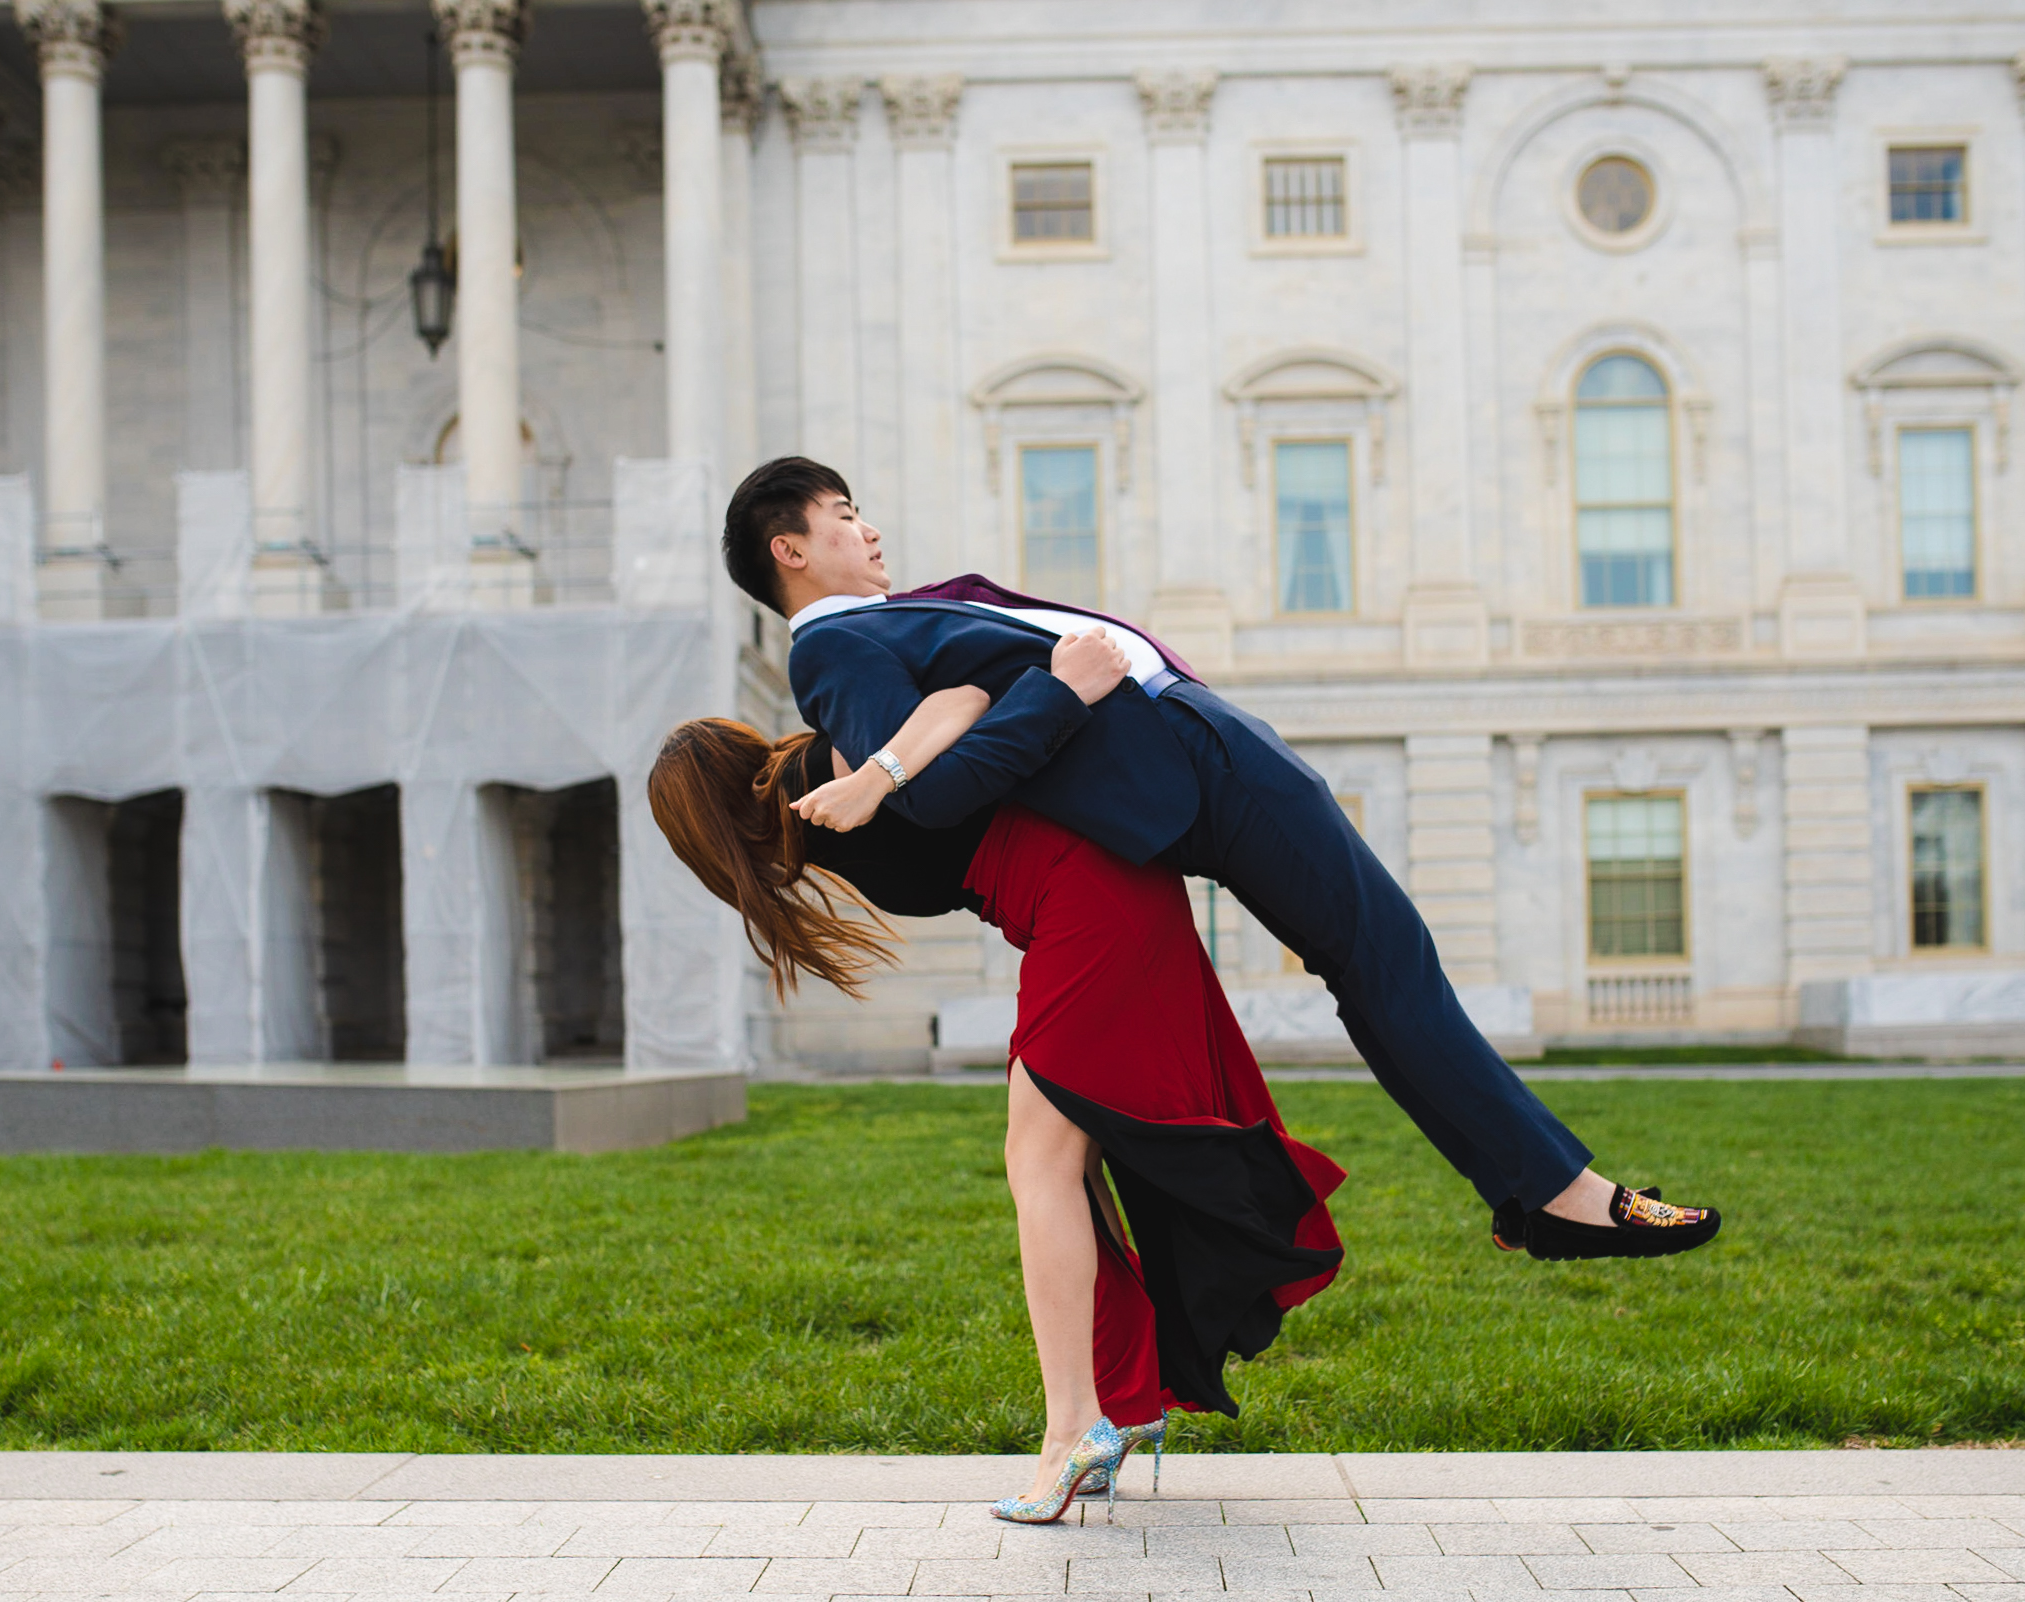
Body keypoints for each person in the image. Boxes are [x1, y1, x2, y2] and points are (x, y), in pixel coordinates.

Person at [721, 455, 1721, 1263]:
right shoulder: (832, 648)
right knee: (1383, 960)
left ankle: (1544, 1194)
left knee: (1382, 962)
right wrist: (1060, 688)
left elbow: (929, 740)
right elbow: (935, 800)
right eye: (846, 515)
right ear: (791, 548)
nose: (869, 529)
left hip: (1198, 752)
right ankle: (1558, 1197)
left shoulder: (883, 620)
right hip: (1196, 773)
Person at [650, 678, 1346, 1524]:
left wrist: (874, 775)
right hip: (1079, 904)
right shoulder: (805, 815)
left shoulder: (813, 776)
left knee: (1040, 1167)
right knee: (1069, 1172)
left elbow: (961, 698)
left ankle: (1074, 1429)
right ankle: (1119, 1404)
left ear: (704, 820)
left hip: (1086, 900)